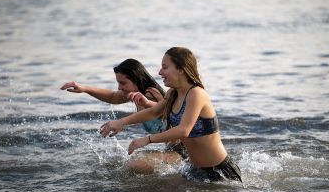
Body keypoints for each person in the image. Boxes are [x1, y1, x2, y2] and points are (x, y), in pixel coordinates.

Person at [100, 47, 242, 182]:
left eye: (165, 67)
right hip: (193, 170)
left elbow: (184, 130)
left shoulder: (196, 93)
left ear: (180, 69)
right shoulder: (172, 93)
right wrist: (121, 122)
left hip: (219, 172)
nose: (160, 72)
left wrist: (147, 140)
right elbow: (153, 112)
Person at [61, 58, 185, 173]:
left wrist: (142, 108)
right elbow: (112, 96)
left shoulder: (151, 93)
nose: (120, 87)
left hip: (184, 151)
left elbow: (165, 111)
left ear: (137, 79)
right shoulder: (136, 93)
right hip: (171, 150)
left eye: (123, 83)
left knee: (133, 165)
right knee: (128, 164)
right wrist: (84, 88)